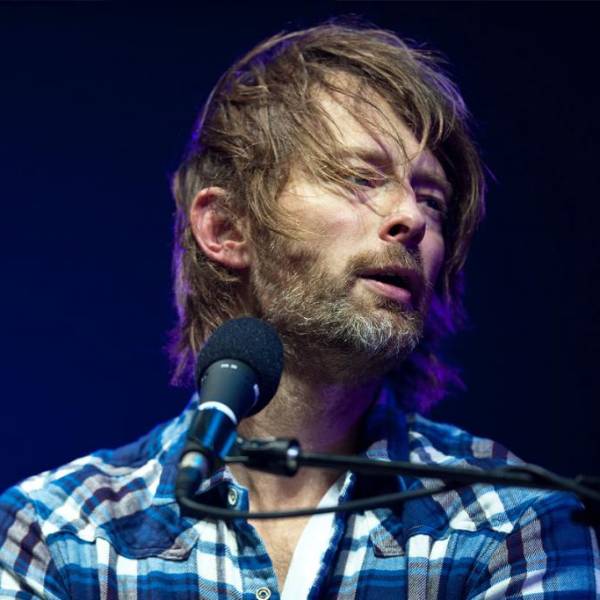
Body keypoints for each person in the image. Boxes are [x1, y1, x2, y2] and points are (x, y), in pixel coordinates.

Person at [0, 21, 598, 599]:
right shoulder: (57, 536)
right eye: (360, 178)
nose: (411, 218)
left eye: (432, 200)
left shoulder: (513, 524)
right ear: (225, 227)